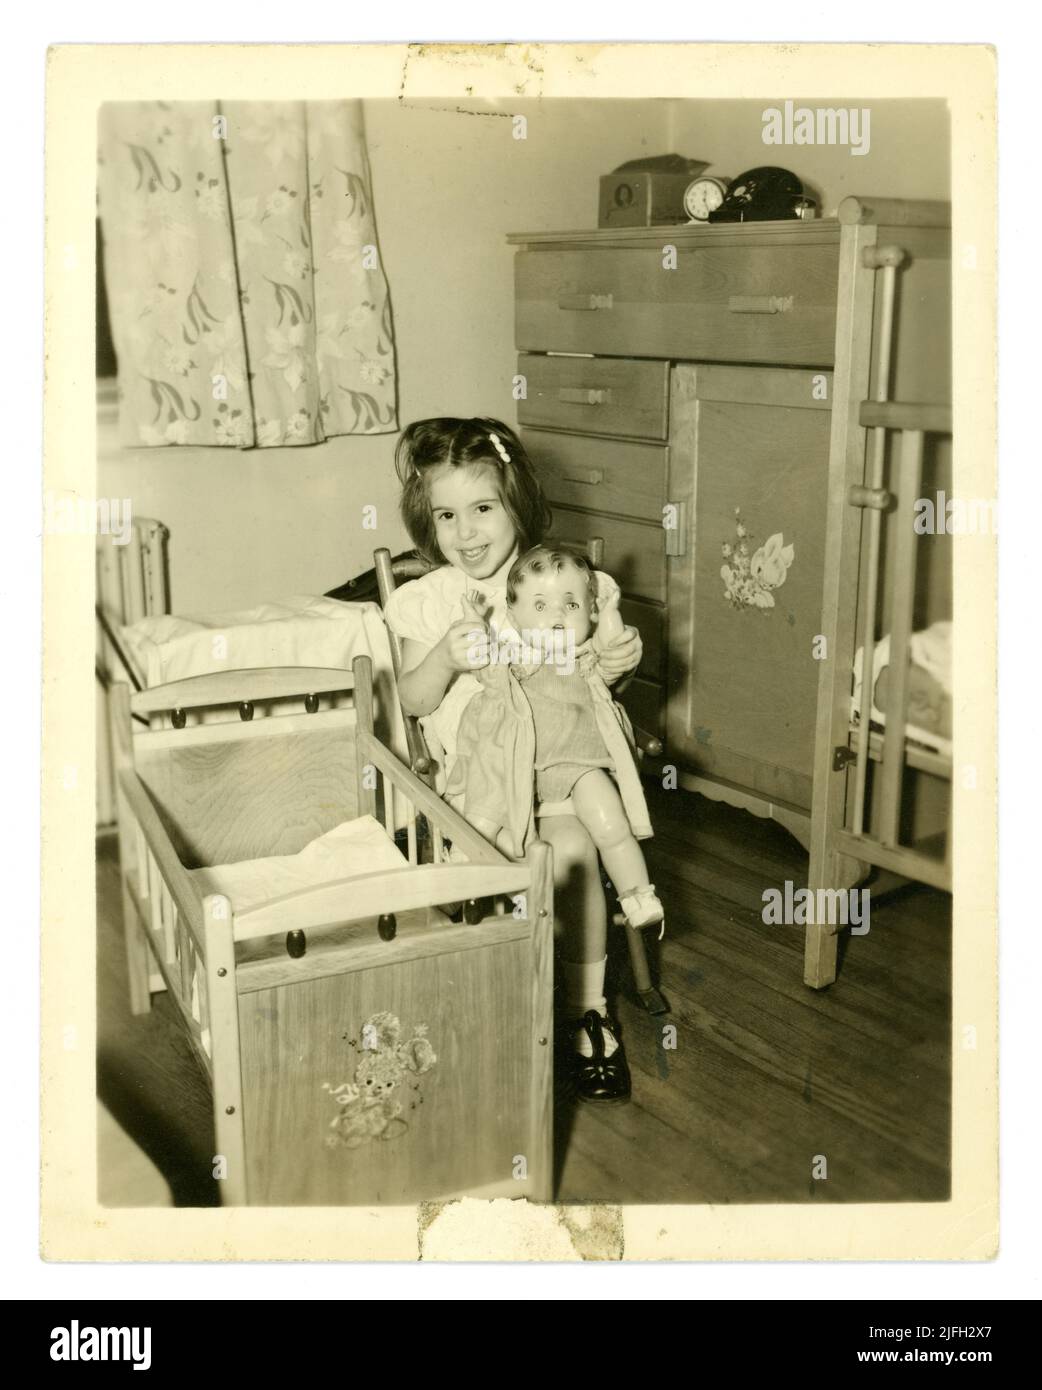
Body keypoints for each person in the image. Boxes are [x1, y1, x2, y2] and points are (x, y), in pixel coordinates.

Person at [384, 417, 644, 1103]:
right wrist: (443, 654)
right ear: (427, 519)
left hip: (557, 776)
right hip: (479, 784)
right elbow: (410, 700)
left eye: (483, 508)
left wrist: (617, 664)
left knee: (576, 850)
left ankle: (588, 1009)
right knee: (511, 858)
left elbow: (592, 690)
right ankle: (499, 1001)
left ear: (516, 503)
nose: (466, 532)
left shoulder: (560, 580)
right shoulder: (426, 599)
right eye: (446, 514)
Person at [446, 546, 665, 936]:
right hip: (518, 766)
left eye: (571, 604)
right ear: (514, 618)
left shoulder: (586, 658)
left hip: (580, 764)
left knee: (611, 820)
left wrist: (612, 613)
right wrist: (473, 620)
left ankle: (638, 895)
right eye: (541, 606)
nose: (559, 616)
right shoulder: (514, 660)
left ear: (590, 611)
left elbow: (613, 645)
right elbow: (480, 654)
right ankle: (459, 883)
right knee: (484, 821)